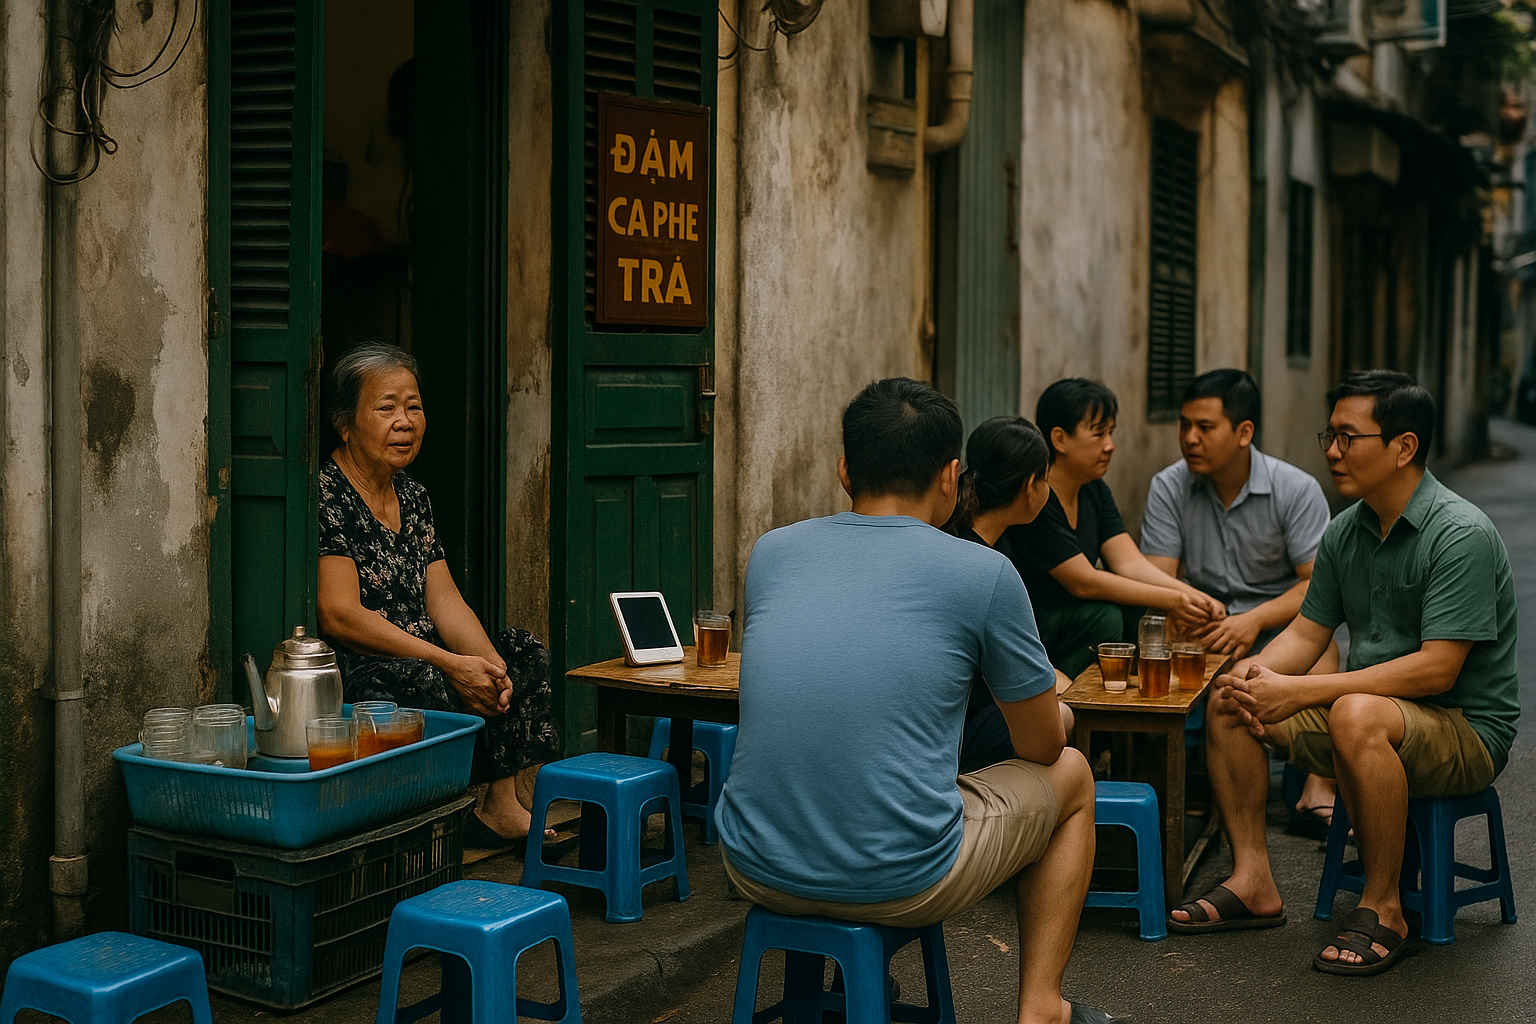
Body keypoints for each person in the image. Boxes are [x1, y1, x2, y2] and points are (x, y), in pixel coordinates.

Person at [716, 379, 1115, 1024]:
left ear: (845, 470)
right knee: (1073, 775)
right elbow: (1041, 745)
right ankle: (1042, 1005)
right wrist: (1057, 711)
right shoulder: (983, 573)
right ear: (951, 477)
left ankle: (828, 991)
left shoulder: (771, 552)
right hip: (900, 878)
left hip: (753, 862)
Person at [1170, 371, 1519, 978]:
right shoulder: (1345, 530)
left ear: (1403, 447)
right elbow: (1308, 632)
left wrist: (1303, 691)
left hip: (1464, 730)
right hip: (1369, 717)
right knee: (1232, 695)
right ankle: (1253, 880)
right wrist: (1256, 675)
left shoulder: (1459, 534)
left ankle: (1384, 908)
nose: (1331, 451)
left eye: (1347, 437)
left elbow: (1439, 669)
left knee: (1354, 713)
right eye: (1328, 436)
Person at [315, 342, 561, 847]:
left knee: (520, 652)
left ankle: (500, 804)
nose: (405, 421)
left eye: (413, 406)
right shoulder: (326, 493)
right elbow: (338, 614)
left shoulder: (413, 495)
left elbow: (443, 601)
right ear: (345, 423)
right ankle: (425, 824)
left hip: (428, 656)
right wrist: (450, 664)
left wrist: (490, 669)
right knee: (429, 675)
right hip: (365, 665)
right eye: (386, 408)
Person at [1139, 369, 1340, 832]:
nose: (1190, 438)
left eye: (1204, 428)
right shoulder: (1169, 486)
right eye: (1184, 425)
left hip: (1278, 622)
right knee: (1156, 633)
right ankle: (1169, 783)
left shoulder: (1296, 489)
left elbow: (1317, 585)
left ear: (1244, 432)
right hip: (1202, 624)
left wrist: (1252, 621)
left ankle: (1319, 785)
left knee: (1325, 649)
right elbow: (1158, 578)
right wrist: (1189, 609)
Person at [1003, 378, 1225, 678]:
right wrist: (1173, 600)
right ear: (1060, 439)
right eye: (1098, 434)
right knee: (1106, 616)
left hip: (1077, 616)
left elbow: (1128, 563)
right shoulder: (1036, 497)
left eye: (1111, 433)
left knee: (1141, 609)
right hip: (1036, 625)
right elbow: (1084, 582)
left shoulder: (1094, 488)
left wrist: (1191, 597)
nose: (1110, 446)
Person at [944, 416, 1075, 772]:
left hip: (944, 720)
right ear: (1031, 485)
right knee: (1062, 719)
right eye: (1045, 478)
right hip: (963, 732)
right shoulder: (989, 564)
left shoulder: (956, 537)